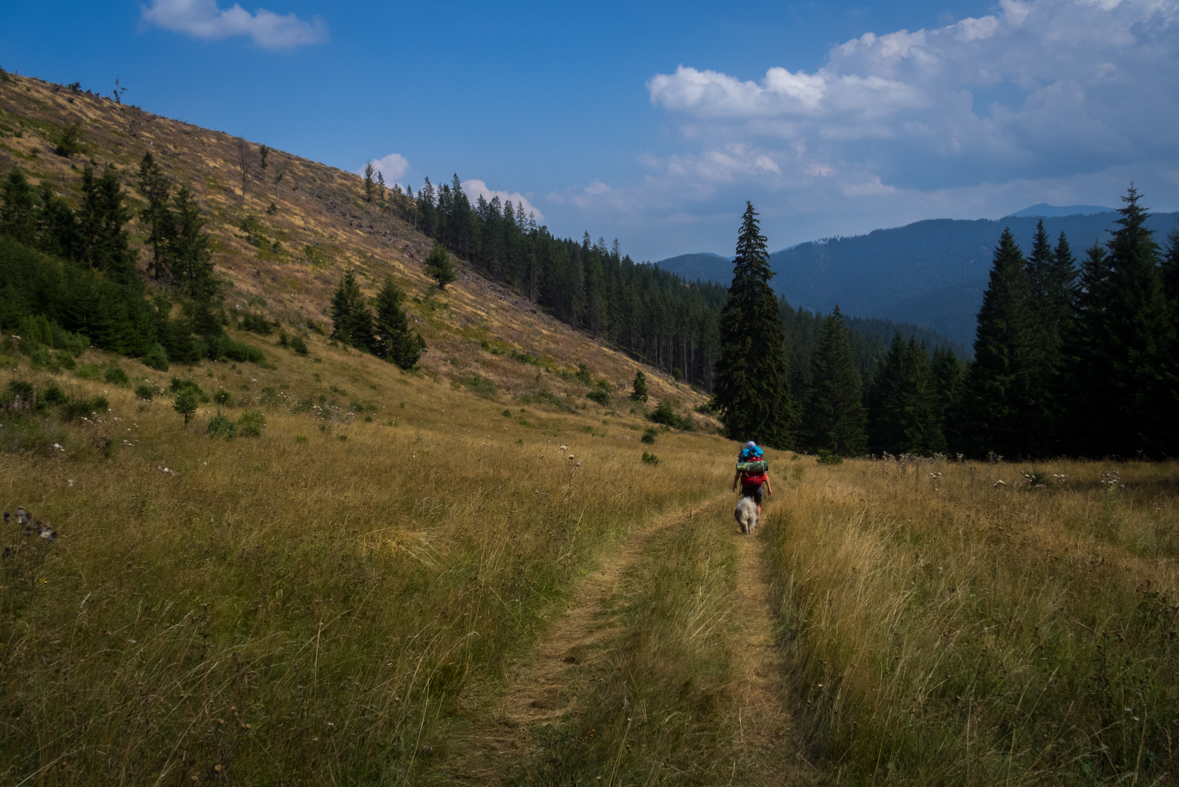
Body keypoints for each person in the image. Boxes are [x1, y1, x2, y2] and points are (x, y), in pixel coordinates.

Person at [732, 440, 772, 524]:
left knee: (747, 503)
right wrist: (769, 488)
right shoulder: (759, 460)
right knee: (758, 503)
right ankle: (756, 520)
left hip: (746, 484)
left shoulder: (744, 460)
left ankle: (746, 519)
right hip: (757, 484)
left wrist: (734, 484)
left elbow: (737, 474)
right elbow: (765, 476)